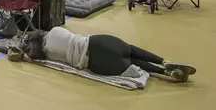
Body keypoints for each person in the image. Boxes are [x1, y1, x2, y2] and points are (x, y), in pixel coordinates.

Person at [14, 27, 196, 82]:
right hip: (98, 41)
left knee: (132, 61)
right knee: (130, 49)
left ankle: (165, 74)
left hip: (96, 62)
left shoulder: (44, 56)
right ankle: (165, 61)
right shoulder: (54, 31)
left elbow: (23, 56)